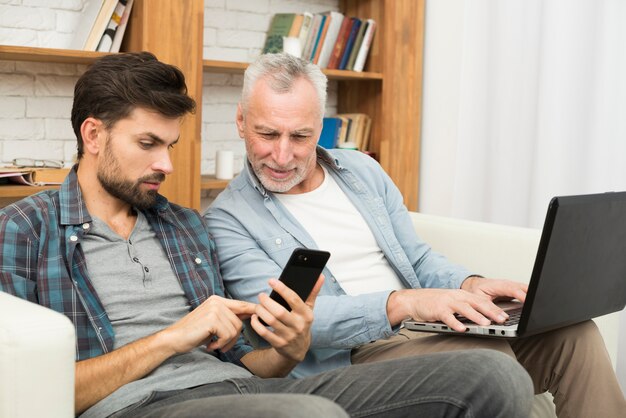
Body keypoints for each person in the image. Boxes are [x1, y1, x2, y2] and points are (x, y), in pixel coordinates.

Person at [0, 52, 534, 418]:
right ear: (93, 135)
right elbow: (28, 391)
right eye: (148, 143)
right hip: (148, 406)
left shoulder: (184, 226)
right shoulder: (26, 228)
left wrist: (292, 341)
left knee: (493, 376)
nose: (165, 163)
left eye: (171, 145)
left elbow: (255, 361)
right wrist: (174, 336)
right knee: (307, 413)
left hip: (254, 389)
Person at [205, 52, 626, 418]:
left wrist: (470, 284)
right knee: (482, 359)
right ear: (241, 122)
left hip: (423, 331)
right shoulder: (227, 219)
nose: (282, 154)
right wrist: (403, 303)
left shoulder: (362, 171)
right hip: (350, 358)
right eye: (267, 134)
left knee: (574, 334)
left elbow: (417, 258)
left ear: (321, 127)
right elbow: (284, 324)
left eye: (300, 136)